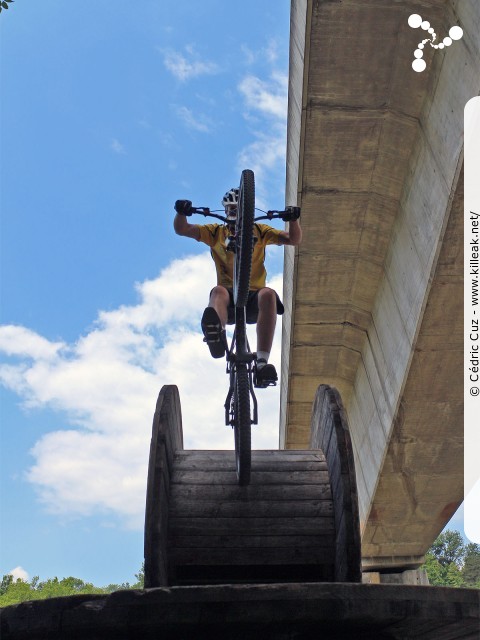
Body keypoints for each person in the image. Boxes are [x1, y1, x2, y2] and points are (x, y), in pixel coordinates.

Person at [173, 188, 302, 387]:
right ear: (225, 212)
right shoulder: (216, 232)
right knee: (218, 291)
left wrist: (293, 219)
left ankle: (261, 362)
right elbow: (182, 229)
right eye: (231, 210)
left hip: (254, 300)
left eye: (238, 209)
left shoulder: (260, 231)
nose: (234, 214)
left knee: (268, 294)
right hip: (228, 302)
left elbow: (293, 239)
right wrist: (181, 212)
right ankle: (217, 333)